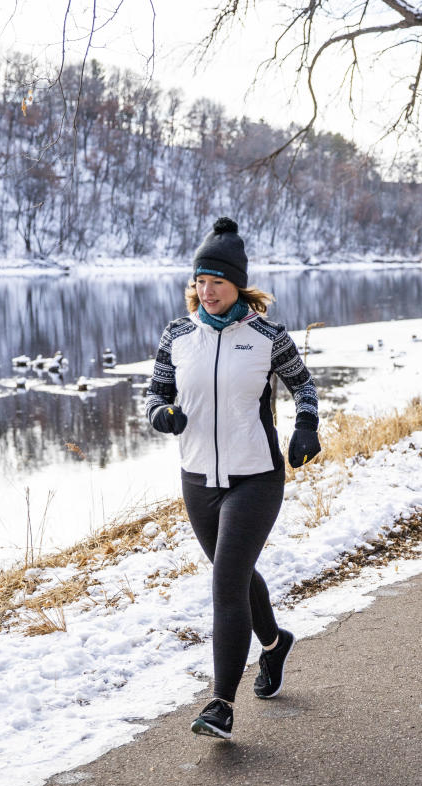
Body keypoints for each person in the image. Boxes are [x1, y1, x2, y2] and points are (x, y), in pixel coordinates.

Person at [144, 216, 321, 740]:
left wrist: (306, 426)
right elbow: (155, 394)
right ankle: (273, 642)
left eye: (216, 282)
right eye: (200, 282)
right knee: (237, 575)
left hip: (256, 476)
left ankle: (221, 703)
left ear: (237, 284)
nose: (206, 291)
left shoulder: (267, 336)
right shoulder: (178, 335)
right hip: (198, 478)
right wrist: (161, 415)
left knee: (225, 583)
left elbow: (304, 387)